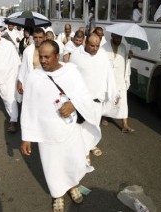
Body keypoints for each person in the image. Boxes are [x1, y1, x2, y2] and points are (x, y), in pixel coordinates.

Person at [20, 40, 101, 211]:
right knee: (52, 165)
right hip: (46, 132)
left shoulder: (71, 72)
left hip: (70, 128)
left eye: (47, 57)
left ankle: (72, 186)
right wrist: (26, 137)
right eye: (41, 57)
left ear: (57, 56)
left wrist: (73, 105)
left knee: (73, 160)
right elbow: (28, 107)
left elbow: (85, 96)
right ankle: (57, 195)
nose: (43, 61)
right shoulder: (34, 76)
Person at [69, 34, 118, 161]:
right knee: (83, 126)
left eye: (97, 45)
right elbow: (70, 77)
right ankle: (84, 150)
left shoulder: (102, 55)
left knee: (94, 125)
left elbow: (109, 75)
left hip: (97, 99)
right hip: (82, 100)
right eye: (92, 45)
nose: (95, 49)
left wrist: (114, 94)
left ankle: (91, 145)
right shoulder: (75, 55)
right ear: (85, 42)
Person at [102, 33, 134, 133]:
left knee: (123, 102)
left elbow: (125, 61)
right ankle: (105, 116)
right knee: (107, 99)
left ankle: (125, 125)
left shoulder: (123, 47)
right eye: (117, 37)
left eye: (120, 37)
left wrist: (129, 57)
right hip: (109, 79)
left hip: (120, 79)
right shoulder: (104, 47)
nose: (119, 39)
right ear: (112, 36)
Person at [17, 28, 46, 102]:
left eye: (40, 37)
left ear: (44, 37)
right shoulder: (28, 51)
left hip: (45, 83)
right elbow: (23, 67)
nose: (38, 39)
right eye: (36, 37)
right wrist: (20, 81)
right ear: (33, 38)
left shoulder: (49, 50)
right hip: (31, 83)